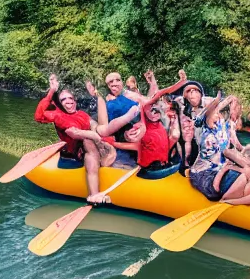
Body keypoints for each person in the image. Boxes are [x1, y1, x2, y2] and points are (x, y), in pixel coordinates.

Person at [34, 75, 116, 204]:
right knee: (87, 140)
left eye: (71, 98)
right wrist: (52, 91)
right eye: (64, 99)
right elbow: (73, 133)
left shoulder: (81, 114)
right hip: (73, 155)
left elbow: (93, 124)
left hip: (85, 149)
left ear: (75, 101)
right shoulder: (59, 116)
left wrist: (98, 132)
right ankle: (93, 195)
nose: (69, 101)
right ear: (60, 104)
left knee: (106, 139)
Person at [101, 75, 188, 173]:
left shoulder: (130, 95)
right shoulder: (106, 99)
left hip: (136, 130)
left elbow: (156, 95)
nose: (114, 83)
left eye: (117, 80)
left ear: (122, 82)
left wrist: (180, 82)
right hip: (119, 132)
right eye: (111, 82)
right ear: (107, 85)